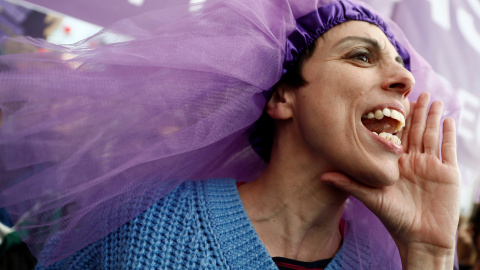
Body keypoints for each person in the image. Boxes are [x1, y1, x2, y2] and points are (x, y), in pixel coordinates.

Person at [0, 0, 460, 269]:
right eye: (361, 56)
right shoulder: (141, 223)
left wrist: (429, 253)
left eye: (403, 69)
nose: (405, 82)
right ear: (282, 98)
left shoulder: (388, 262)